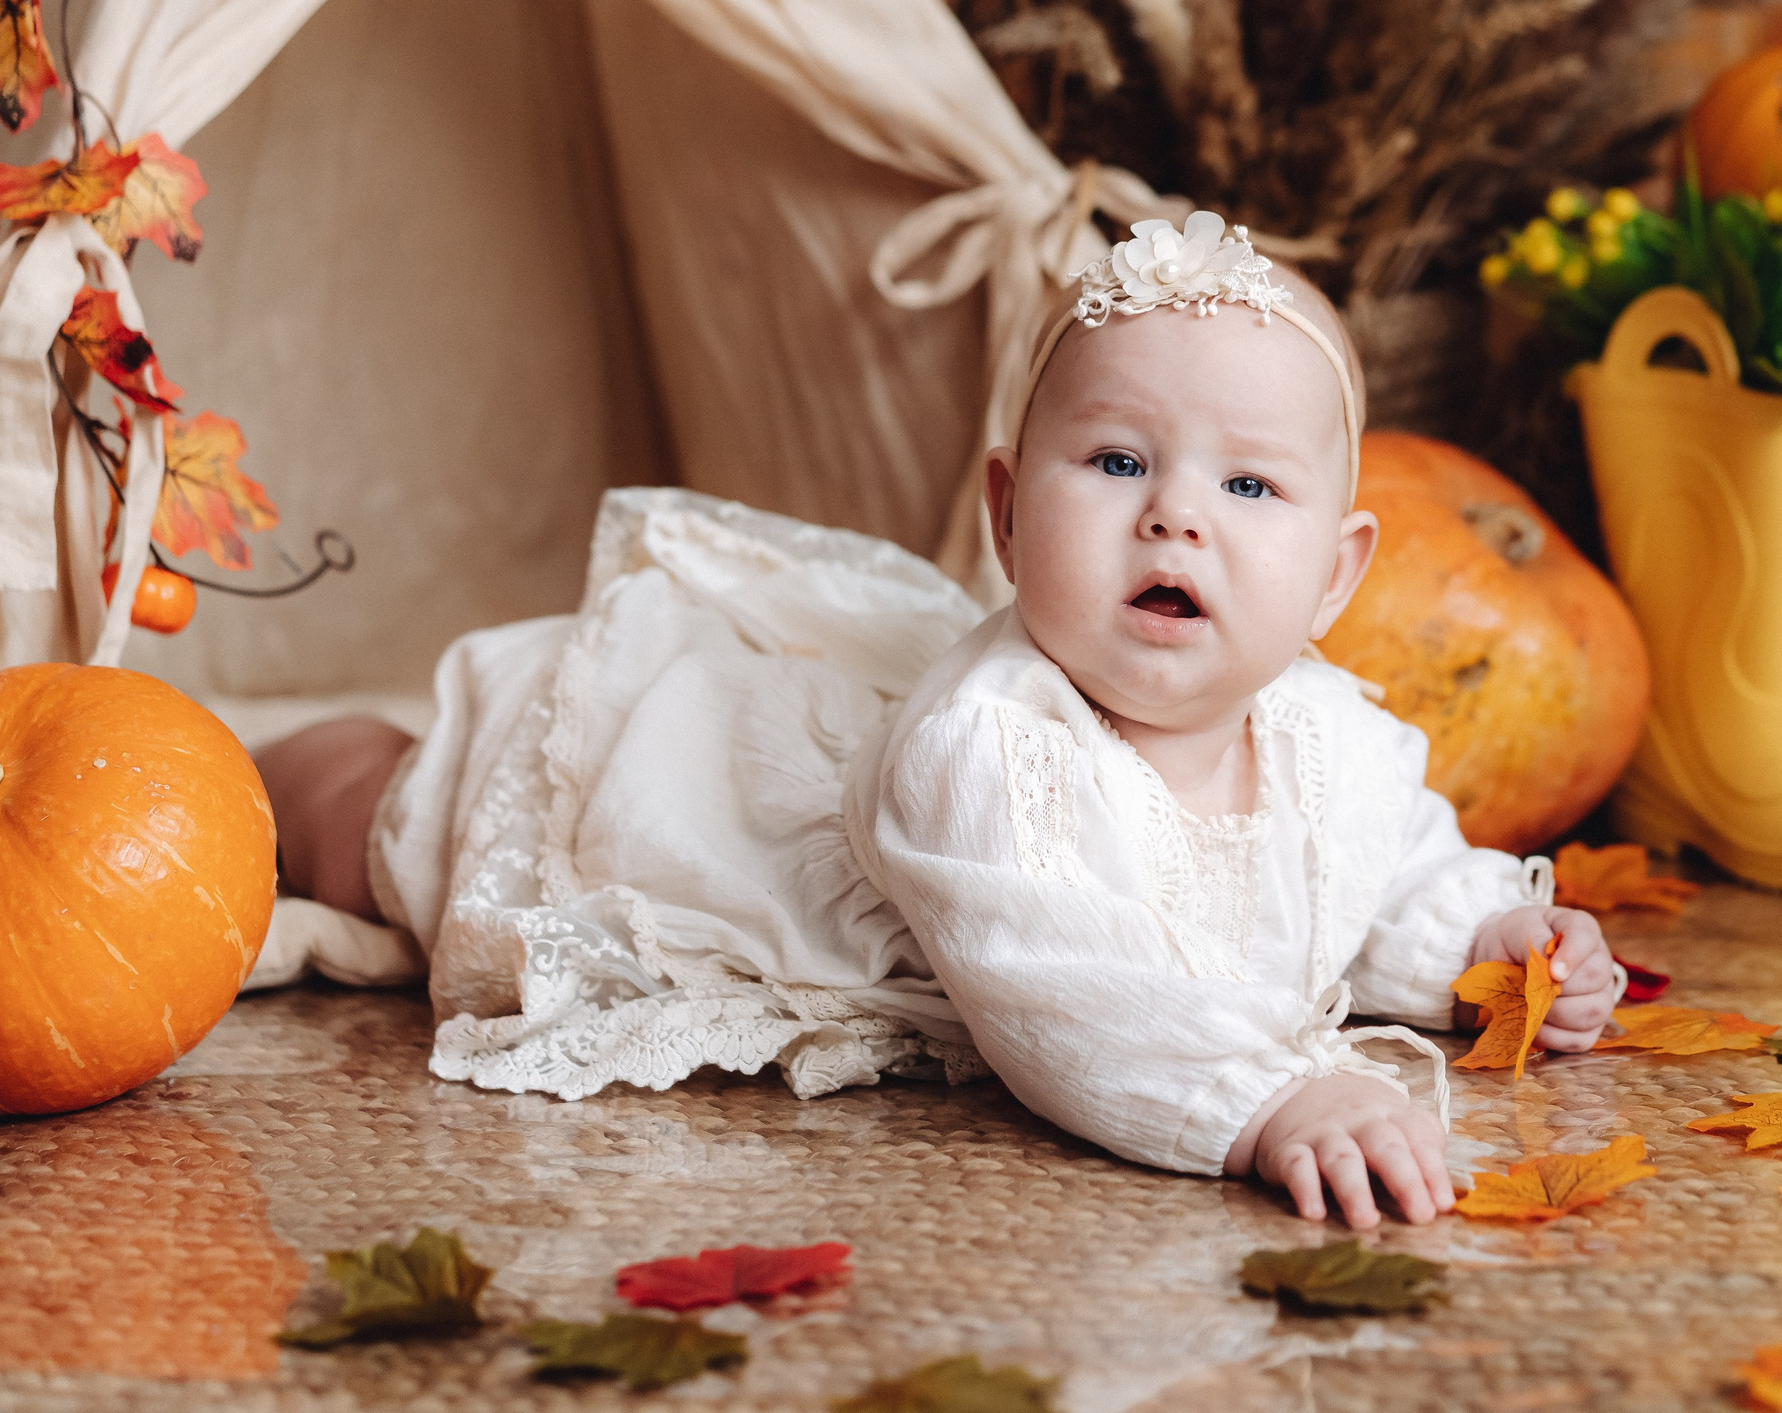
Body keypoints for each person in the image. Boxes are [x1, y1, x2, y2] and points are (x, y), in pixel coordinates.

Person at [255, 212, 1615, 1229]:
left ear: (1337, 574)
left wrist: (1486, 940)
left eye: (1250, 488)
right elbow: (1072, 993)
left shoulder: (1330, 735)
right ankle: (261, 762)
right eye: (1119, 462)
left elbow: (1383, 867)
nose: (1176, 514)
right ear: (1010, 515)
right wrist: (1266, 1103)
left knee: (382, 813)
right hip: (678, 807)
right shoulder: (984, 745)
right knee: (385, 821)